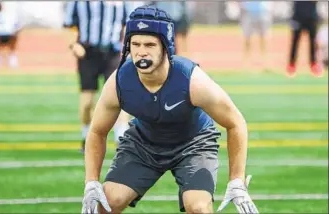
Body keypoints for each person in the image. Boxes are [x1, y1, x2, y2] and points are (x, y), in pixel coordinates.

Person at [80, 6, 258, 214]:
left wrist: (236, 180)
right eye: (135, 44)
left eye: (149, 44)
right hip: (143, 143)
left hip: (193, 143)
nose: (141, 51)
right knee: (107, 203)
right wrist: (91, 182)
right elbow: (97, 131)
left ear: (166, 46)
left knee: (199, 208)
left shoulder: (191, 79)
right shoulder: (119, 81)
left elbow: (235, 122)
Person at [63, 1, 131, 152]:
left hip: (113, 53)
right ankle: (86, 137)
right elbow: (69, 24)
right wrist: (74, 45)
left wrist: (127, 47)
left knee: (119, 97)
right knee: (87, 101)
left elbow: (128, 24)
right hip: (88, 54)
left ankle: (121, 139)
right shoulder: (78, 3)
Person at [287, 1, 323, 77]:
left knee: (313, 42)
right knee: (295, 42)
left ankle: (314, 64)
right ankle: (291, 64)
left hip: (311, 16)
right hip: (298, 15)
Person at [239, 1, 273, 70]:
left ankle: (264, 60)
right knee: (247, 38)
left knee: (263, 38)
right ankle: (246, 61)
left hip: (262, 12)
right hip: (248, 12)